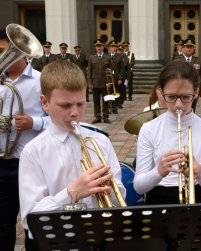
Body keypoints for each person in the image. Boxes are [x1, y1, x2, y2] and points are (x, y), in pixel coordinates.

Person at [18, 60, 126, 250]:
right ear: (44, 102)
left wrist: (110, 190)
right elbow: (30, 218)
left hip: (98, 238)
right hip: (57, 241)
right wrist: (71, 193)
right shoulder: (33, 151)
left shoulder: (100, 141)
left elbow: (120, 195)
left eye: (80, 104)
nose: (75, 113)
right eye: (65, 105)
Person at [134, 61, 201, 205]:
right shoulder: (148, 128)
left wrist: (200, 171)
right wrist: (159, 171)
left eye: (185, 97)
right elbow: (139, 186)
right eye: (171, 97)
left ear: (196, 92)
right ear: (161, 92)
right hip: (157, 196)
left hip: (195, 194)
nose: (178, 105)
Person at [0, 28, 50, 251]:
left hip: (32, 165)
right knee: (2, 225)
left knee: (37, 223)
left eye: (4, 51)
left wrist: (34, 123)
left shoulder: (42, 81)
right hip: (2, 163)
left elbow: (62, 122)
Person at [174, 38, 201, 112]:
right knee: (182, 109)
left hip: (194, 90)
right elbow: (174, 76)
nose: (189, 49)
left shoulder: (199, 61)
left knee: (192, 109)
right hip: (180, 89)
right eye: (187, 47)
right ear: (183, 48)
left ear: (194, 49)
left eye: (191, 47)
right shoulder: (177, 60)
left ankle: (191, 122)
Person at [87, 39, 111, 124]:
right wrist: (89, 82)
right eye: (97, 46)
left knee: (106, 101)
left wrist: (110, 82)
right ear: (95, 48)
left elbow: (111, 71)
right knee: (96, 101)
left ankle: (105, 116)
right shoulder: (91, 57)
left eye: (100, 46)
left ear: (103, 47)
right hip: (95, 83)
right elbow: (89, 71)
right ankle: (97, 116)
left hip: (105, 83)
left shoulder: (108, 57)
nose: (99, 48)